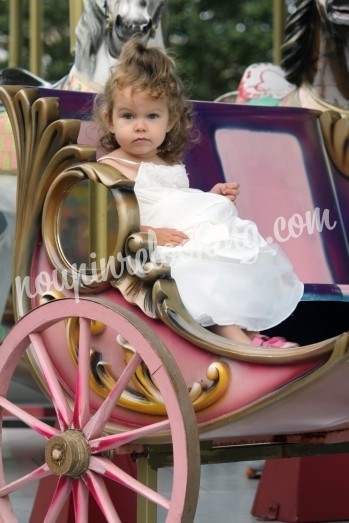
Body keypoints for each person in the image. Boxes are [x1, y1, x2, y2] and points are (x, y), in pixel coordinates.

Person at [95, 38, 304, 348]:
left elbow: (174, 203)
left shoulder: (167, 163)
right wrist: (149, 232)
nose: (140, 126)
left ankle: (248, 335)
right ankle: (239, 342)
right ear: (109, 121)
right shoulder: (110, 167)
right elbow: (101, 221)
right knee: (201, 268)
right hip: (142, 251)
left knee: (223, 257)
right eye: (128, 116)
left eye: (152, 116)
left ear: (170, 122)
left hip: (178, 242)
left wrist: (209, 197)